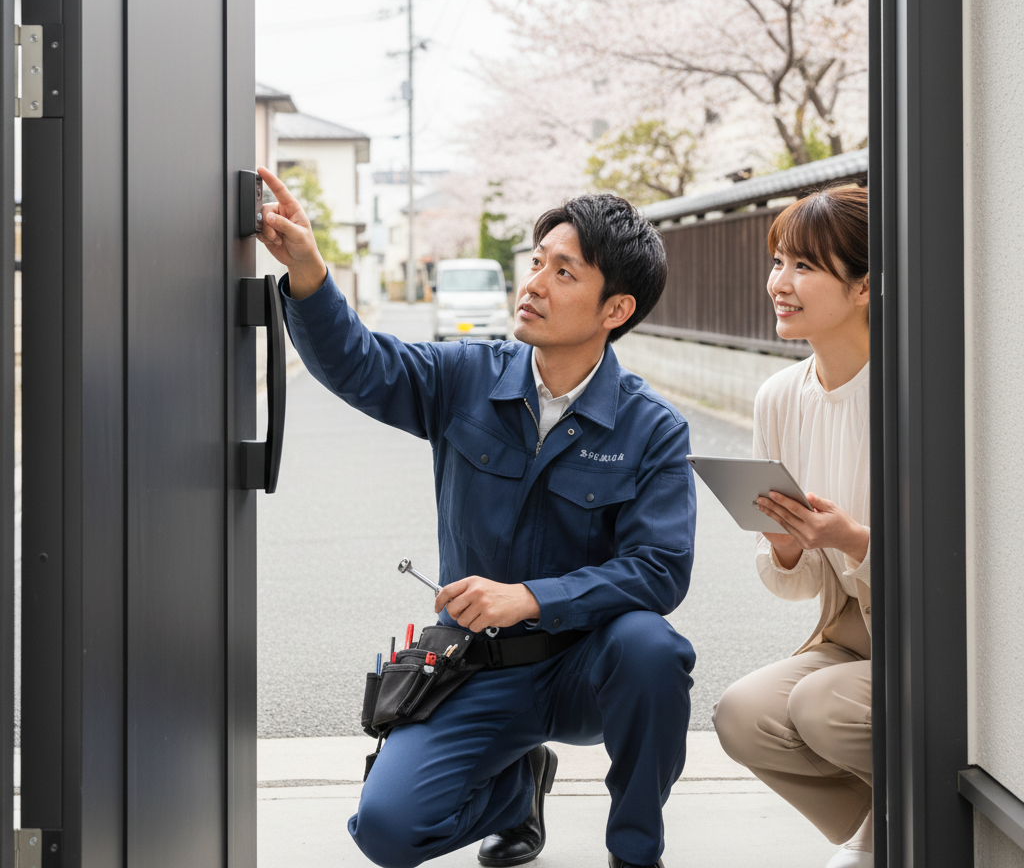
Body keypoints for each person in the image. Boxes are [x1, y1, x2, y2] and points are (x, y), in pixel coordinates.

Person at [255, 166, 696, 868]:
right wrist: (308, 271)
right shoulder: (466, 378)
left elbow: (660, 569)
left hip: (585, 666)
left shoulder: (652, 428)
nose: (533, 284)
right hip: (477, 666)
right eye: (535, 263)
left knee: (653, 649)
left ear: (615, 309)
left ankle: (636, 852)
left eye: (563, 272)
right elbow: (362, 365)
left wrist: (529, 598)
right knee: (387, 831)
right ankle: (516, 791)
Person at [711, 184, 873, 868]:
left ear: (863, 286)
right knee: (742, 714)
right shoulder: (779, 397)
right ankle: (883, 827)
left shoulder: (916, 384)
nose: (781, 283)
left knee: (821, 706)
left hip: (940, 642)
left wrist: (852, 541)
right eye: (779, 262)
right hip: (853, 635)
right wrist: (784, 547)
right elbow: (800, 588)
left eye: (804, 266)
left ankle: (887, 835)